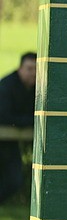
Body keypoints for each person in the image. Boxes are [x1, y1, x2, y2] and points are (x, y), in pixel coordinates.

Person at [0, 53, 36, 205]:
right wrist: (31, 121)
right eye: (29, 68)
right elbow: (4, 116)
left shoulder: (37, 88)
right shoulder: (6, 86)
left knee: (14, 180)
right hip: (4, 140)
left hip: (10, 141)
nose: (33, 73)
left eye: (36, 69)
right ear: (20, 69)